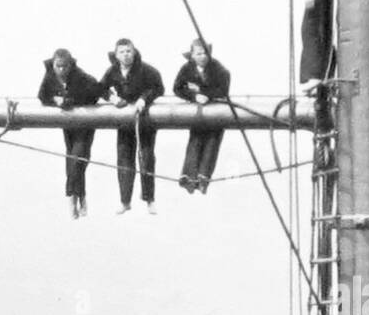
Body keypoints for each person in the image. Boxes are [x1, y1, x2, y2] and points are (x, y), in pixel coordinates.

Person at [99, 38, 164, 215]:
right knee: (124, 159)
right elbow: (101, 88)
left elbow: (158, 87)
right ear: (116, 55)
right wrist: (112, 98)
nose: (126, 55)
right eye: (122, 52)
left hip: (144, 118)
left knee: (147, 158)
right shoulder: (113, 71)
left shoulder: (146, 69)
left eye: (128, 51)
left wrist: (144, 98)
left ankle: (149, 199)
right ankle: (125, 201)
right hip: (125, 119)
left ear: (134, 52)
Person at [38, 49, 104, 219]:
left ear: (70, 65)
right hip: (68, 124)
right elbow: (42, 96)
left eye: (64, 66)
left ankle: (72, 196)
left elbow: (95, 92)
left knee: (79, 157)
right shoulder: (50, 76)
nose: (61, 70)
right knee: (73, 160)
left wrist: (68, 100)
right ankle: (80, 196)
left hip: (85, 122)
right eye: (57, 66)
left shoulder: (81, 76)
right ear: (53, 64)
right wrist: (55, 100)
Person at [172, 38, 231, 194]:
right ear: (192, 55)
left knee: (212, 141)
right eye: (198, 54)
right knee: (196, 139)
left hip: (216, 108)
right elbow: (177, 88)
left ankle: (203, 179)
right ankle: (189, 179)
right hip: (199, 108)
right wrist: (194, 96)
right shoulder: (187, 69)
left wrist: (206, 94)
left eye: (205, 53)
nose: (202, 57)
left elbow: (223, 89)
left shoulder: (218, 69)